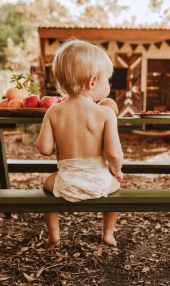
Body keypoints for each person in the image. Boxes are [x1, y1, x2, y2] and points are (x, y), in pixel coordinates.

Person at [36, 39, 123, 248]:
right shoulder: (105, 113)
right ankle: (108, 233)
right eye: (108, 80)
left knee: (46, 187)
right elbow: (113, 153)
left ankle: (54, 235)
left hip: (66, 183)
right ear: (92, 82)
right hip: (99, 183)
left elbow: (45, 149)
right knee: (118, 188)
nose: (109, 85)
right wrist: (117, 170)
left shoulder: (54, 111)